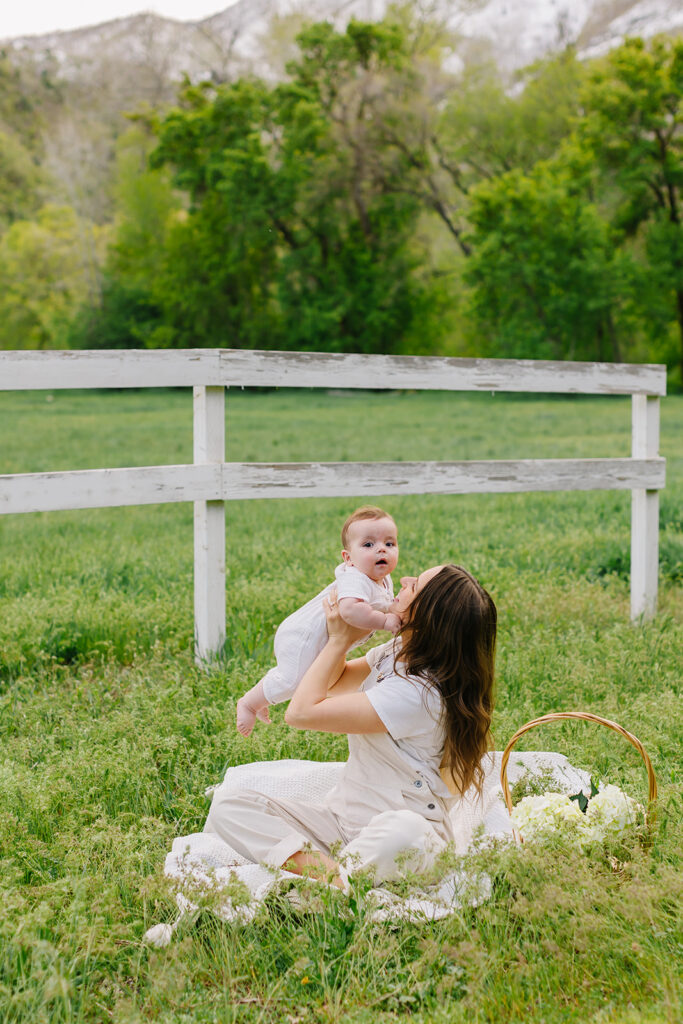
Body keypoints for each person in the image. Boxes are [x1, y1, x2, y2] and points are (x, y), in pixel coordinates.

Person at [207, 564, 497, 889]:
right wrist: (344, 641)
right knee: (228, 805)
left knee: (405, 835)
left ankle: (327, 882)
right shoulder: (397, 652)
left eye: (413, 585)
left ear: (427, 617)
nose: (402, 580)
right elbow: (336, 681)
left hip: (402, 832)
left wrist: (336, 642)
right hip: (341, 824)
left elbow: (300, 713)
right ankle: (336, 877)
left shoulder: (418, 694)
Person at [236, 506, 402, 737]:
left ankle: (264, 698)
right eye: (368, 545)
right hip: (302, 637)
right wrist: (385, 622)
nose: (381, 550)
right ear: (348, 558)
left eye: (389, 544)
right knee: (293, 681)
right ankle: (249, 703)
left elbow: (381, 602)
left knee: (311, 680)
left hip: (319, 638)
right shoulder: (356, 578)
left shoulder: (382, 578)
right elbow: (350, 610)